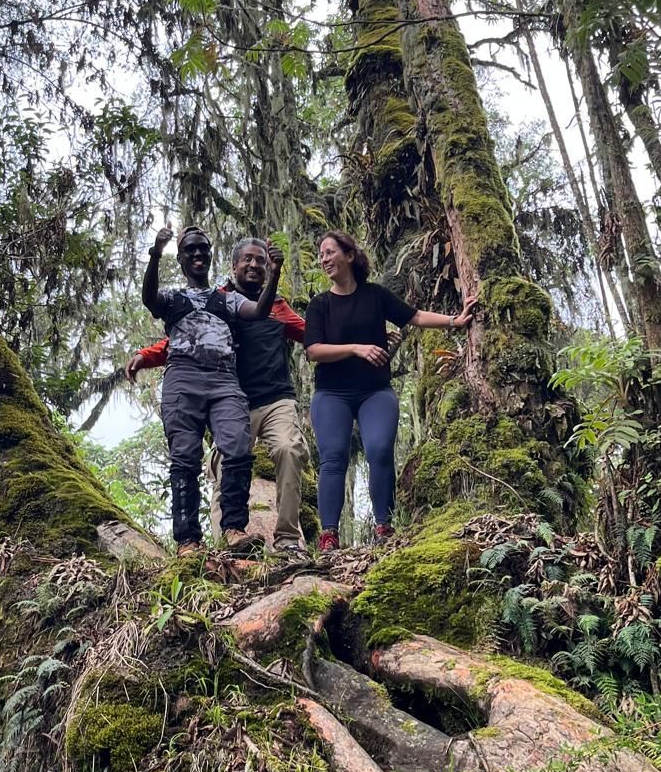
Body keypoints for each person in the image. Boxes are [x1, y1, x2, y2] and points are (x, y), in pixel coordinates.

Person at [127, 237, 309, 553]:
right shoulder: (198, 297)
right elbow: (177, 332)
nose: (254, 266)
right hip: (194, 382)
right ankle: (191, 541)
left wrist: (363, 341)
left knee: (253, 452)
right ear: (233, 265)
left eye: (260, 261)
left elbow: (306, 331)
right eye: (247, 260)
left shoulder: (247, 304)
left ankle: (254, 534)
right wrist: (146, 355)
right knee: (190, 458)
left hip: (241, 388)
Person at [304, 230, 475, 552]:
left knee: (380, 449)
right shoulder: (320, 305)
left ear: (350, 255)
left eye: (330, 252)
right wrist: (356, 348)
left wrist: (456, 320)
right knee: (333, 458)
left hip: (375, 391)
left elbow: (416, 316)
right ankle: (328, 536)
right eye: (321, 254)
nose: (324, 259)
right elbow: (313, 350)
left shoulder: (375, 296)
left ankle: (384, 526)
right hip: (332, 395)